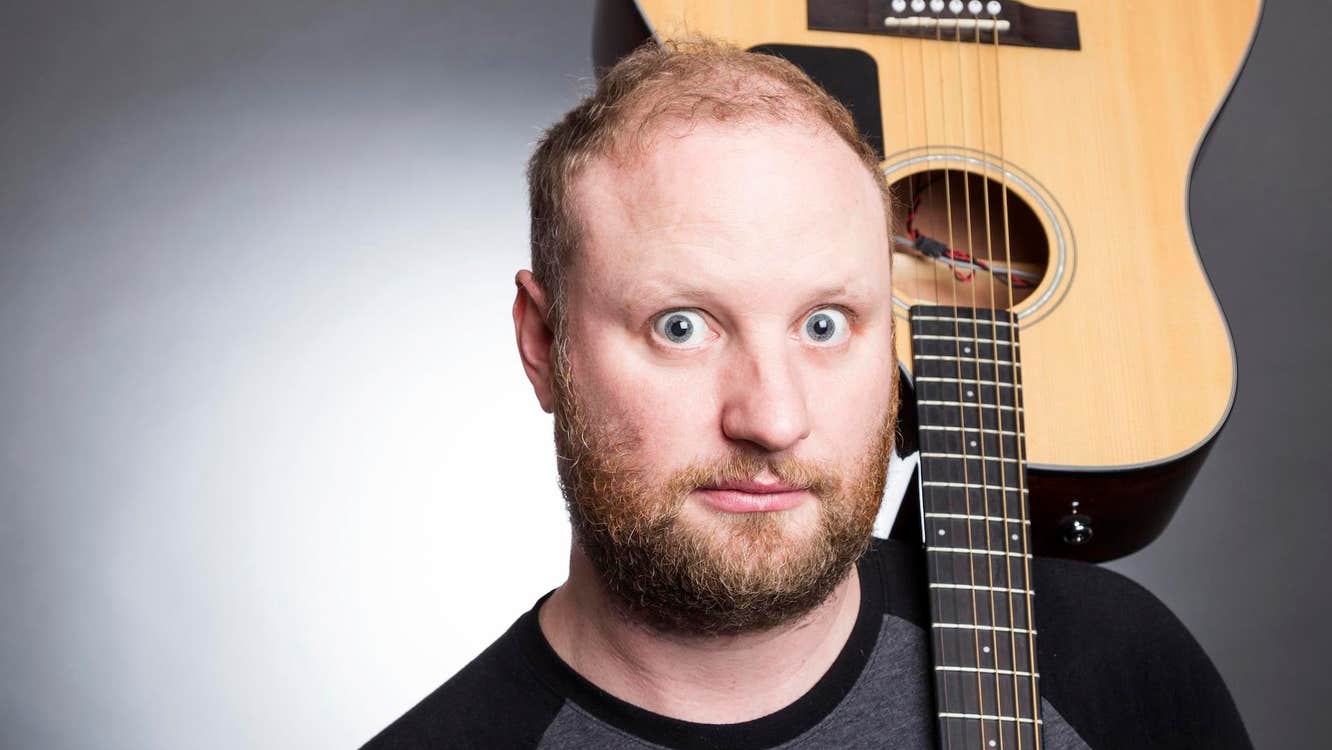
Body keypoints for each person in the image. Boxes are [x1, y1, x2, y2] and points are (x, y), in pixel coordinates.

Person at [362, 38, 1251, 749]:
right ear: (542, 342)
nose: (773, 418)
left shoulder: (1114, 667)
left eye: (824, 325)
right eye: (683, 326)